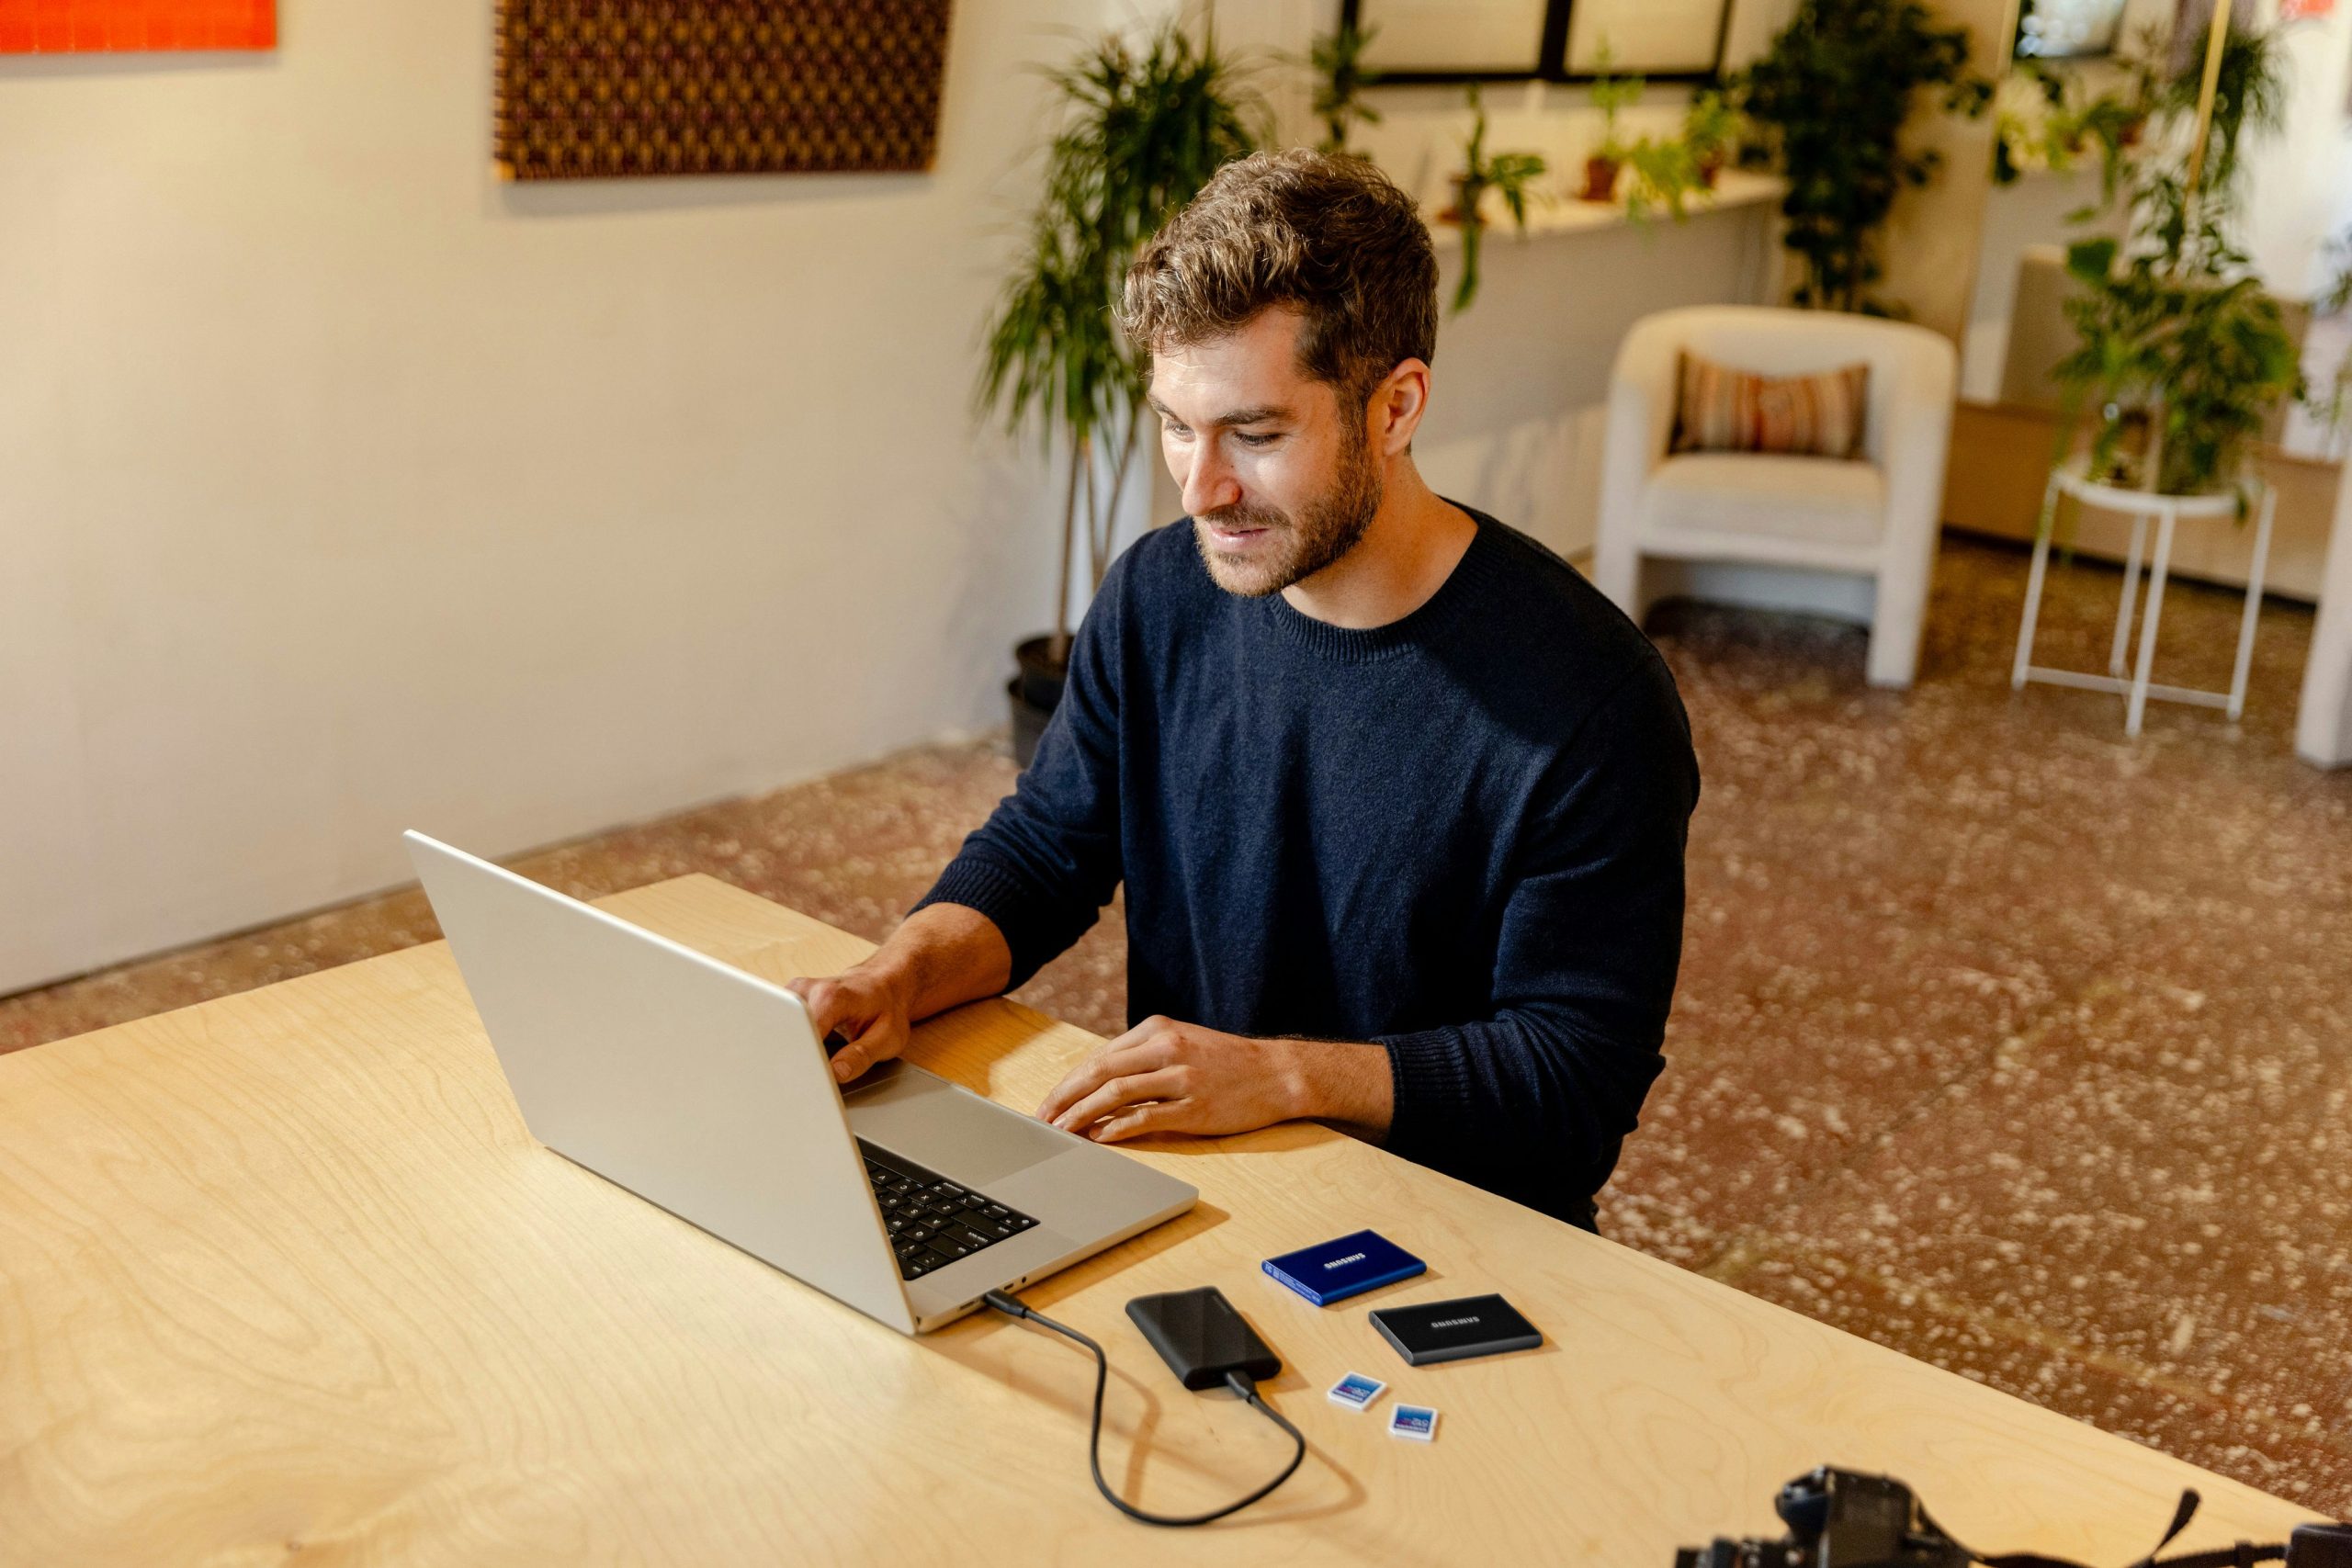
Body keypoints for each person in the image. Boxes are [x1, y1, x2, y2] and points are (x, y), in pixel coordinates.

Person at [791, 149, 1699, 1232]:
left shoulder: (1587, 702)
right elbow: (1049, 848)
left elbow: (1571, 1082)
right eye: (1178, 424)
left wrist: (1284, 1078)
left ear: (1396, 407)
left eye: (1257, 436)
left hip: (1450, 1235)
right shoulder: (1159, 593)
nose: (1202, 486)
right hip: (1203, 1184)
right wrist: (900, 975)